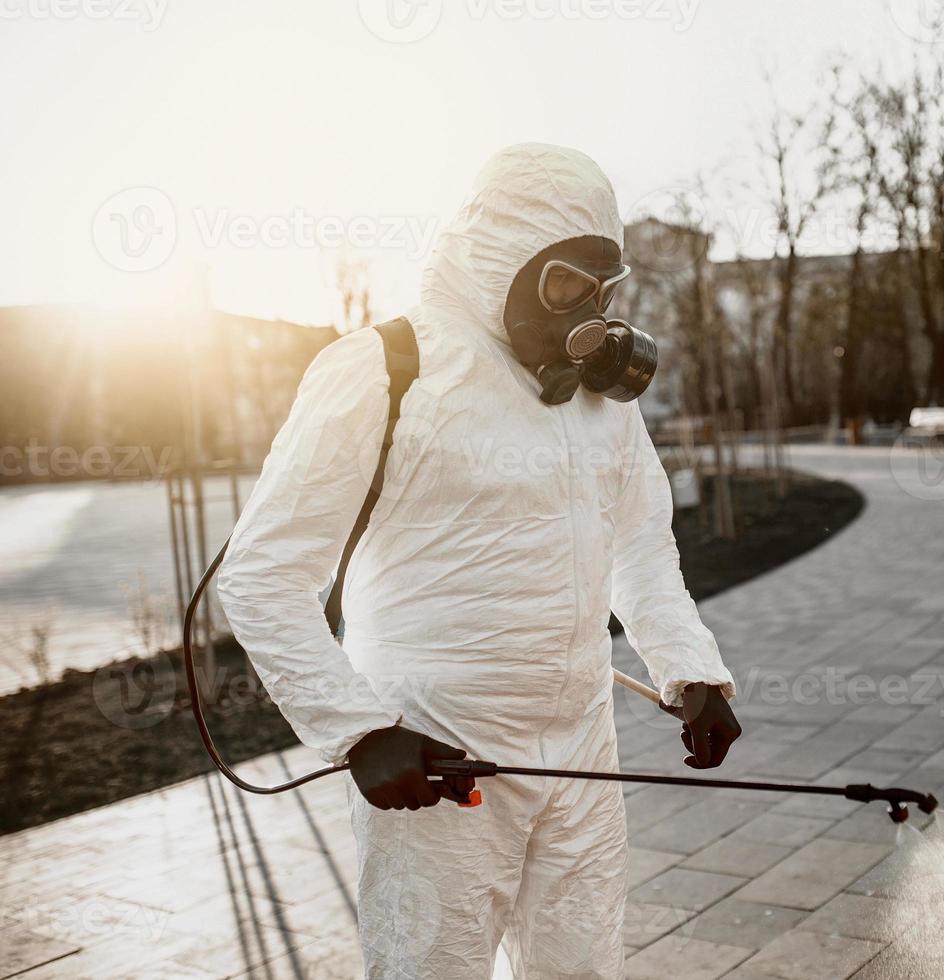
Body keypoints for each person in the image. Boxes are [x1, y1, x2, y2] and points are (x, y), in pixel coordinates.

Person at [217, 143, 740, 978]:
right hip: (435, 748)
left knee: (582, 967)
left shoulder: (600, 399)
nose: (587, 312)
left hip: (578, 747)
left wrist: (692, 672)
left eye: (603, 290)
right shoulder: (387, 368)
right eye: (565, 282)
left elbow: (639, 548)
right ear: (500, 257)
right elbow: (263, 575)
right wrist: (359, 733)